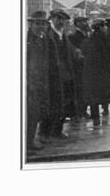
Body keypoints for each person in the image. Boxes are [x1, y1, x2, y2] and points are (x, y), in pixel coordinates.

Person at [39, 8, 75, 140]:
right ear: (51, 20)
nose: (60, 22)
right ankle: (45, 132)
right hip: (52, 76)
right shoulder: (47, 35)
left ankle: (56, 130)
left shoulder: (62, 34)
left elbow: (69, 52)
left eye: (63, 20)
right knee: (51, 104)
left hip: (65, 76)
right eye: (57, 19)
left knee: (63, 104)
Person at [25, 11, 49, 152]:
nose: (40, 26)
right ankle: (27, 144)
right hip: (29, 84)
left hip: (39, 82)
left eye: (43, 24)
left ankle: (29, 142)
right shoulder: (27, 39)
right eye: (37, 23)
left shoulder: (41, 38)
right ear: (31, 24)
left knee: (35, 114)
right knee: (30, 114)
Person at [67, 16, 91, 121]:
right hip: (78, 67)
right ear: (77, 24)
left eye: (86, 21)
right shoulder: (74, 36)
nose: (86, 23)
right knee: (78, 91)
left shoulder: (86, 35)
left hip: (86, 67)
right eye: (83, 22)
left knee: (85, 90)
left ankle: (83, 111)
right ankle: (77, 113)